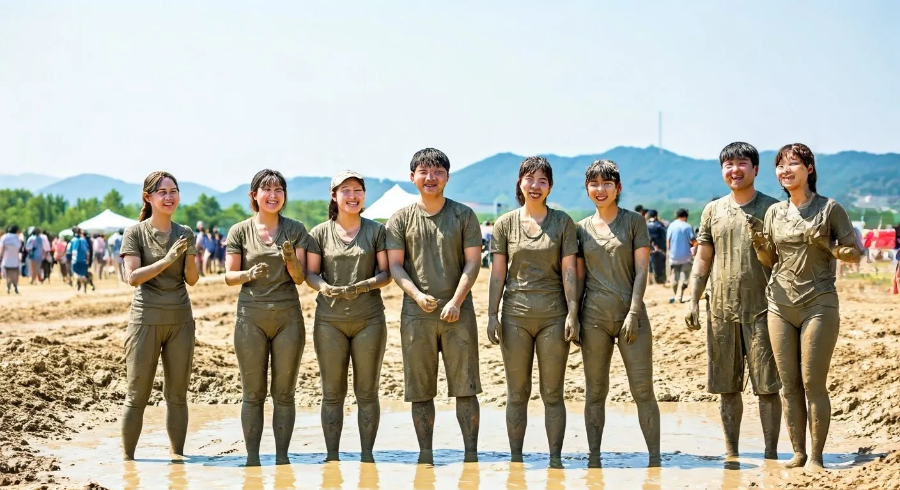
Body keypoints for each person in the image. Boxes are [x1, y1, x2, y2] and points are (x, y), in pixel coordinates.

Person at [750, 143, 862, 471]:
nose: (785, 170)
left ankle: (816, 457)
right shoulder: (775, 213)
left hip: (819, 302)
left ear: (809, 169)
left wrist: (826, 245)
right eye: (780, 165)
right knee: (788, 384)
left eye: (793, 164)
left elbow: (854, 253)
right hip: (779, 304)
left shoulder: (830, 209)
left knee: (812, 382)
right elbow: (769, 260)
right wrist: (760, 243)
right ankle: (798, 453)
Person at [684, 142, 782, 462]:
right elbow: (703, 259)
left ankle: (770, 454)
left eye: (742, 163)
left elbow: (783, 260)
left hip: (765, 309)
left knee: (767, 386)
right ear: (722, 170)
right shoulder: (713, 210)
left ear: (756, 169)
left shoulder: (773, 209)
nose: (735, 170)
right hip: (721, 309)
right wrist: (692, 299)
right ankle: (732, 453)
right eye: (728, 164)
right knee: (726, 387)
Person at [386, 148, 483, 465]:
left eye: (438, 172)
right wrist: (416, 295)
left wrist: (456, 300)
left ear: (447, 177)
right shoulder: (400, 219)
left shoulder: (463, 215)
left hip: (459, 313)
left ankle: (471, 456)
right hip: (416, 315)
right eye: (424, 172)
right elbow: (396, 266)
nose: (431, 178)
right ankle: (425, 455)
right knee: (420, 390)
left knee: (466, 388)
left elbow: (473, 262)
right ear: (412, 177)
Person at [486, 157, 579, 468]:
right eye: (530, 179)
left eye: (542, 180)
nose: (535, 185)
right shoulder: (505, 224)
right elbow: (497, 274)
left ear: (550, 187)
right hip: (515, 316)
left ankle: (555, 462)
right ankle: (516, 461)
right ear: (520, 183)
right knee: (517, 393)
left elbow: (569, 271)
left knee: (552, 393)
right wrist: (491, 314)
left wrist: (573, 312)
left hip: (554, 316)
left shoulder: (563, 223)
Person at [575, 160, 661, 468]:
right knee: (595, 391)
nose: (600, 190)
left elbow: (642, 271)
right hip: (593, 319)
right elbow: (579, 278)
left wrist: (634, 311)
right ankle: (594, 460)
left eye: (607, 184)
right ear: (587, 189)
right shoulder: (580, 229)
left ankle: (655, 460)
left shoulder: (634, 222)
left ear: (618, 188)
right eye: (594, 184)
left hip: (631, 316)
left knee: (643, 390)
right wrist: (574, 315)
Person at [305, 171, 392, 463]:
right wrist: (324, 287)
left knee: (367, 393)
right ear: (334, 195)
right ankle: (332, 458)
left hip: (369, 320)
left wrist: (363, 286)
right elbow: (311, 274)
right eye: (346, 190)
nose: (352, 196)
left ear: (364, 195)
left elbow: (386, 273)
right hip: (329, 322)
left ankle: (367, 457)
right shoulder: (319, 233)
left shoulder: (376, 231)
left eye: (358, 190)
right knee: (332, 393)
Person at [225, 169, 310, 466]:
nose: (273, 195)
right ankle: (252, 460)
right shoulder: (239, 231)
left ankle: (283, 460)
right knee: (253, 393)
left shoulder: (296, 229)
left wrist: (291, 259)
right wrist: (247, 274)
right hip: (250, 318)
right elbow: (229, 276)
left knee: (284, 394)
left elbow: (300, 278)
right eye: (267, 189)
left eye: (279, 190)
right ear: (254, 195)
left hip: (288, 318)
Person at [120, 171, 199, 461]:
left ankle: (178, 459)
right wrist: (167, 260)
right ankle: (128, 462)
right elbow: (132, 277)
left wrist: (189, 255)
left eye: (173, 191)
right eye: (162, 192)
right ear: (148, 197)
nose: (169, 197)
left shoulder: (185, 233)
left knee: (177, 396)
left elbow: (192, 280)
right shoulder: (134, 233)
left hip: (180, 320)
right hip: (145, 320)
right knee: (137, 395)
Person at [666, 209, 696, 303]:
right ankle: (679, 296)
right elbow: (693, 241)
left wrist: (669, 253)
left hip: (673, 257)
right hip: (686, 257)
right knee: (685, 277)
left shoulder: (671, 225)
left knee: (675, 277)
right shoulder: (687, 226)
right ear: (685, 216)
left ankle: (675, 295)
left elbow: (668, 241)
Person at [646, 210, 667, 285]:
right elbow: (665, 235)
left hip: (649, 247)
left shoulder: (646, 224)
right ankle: (660, 280)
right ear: (656, 216)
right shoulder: (659, 225)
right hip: (660, 248)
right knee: (660, 264)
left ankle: (650, 280)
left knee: (650, 263)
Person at [1, 225, 22, 294]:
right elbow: (19, 247)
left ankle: (8, 286)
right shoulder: (17, 238)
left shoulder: (4, 237)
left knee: (8, 273)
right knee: (15, 273)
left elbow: (2, 248)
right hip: (15, 258)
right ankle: (15, 286)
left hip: (6, 257)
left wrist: (1, 256)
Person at [69, 228, 92, 292]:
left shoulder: (73, 240)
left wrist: (73, 259)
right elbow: (87, 251)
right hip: (83, 260)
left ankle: (77, 288)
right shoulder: (84, 240)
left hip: (75, 260)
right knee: (83, 274)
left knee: (76, 274)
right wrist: (87, 260)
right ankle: (84, 290)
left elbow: (70, 250)